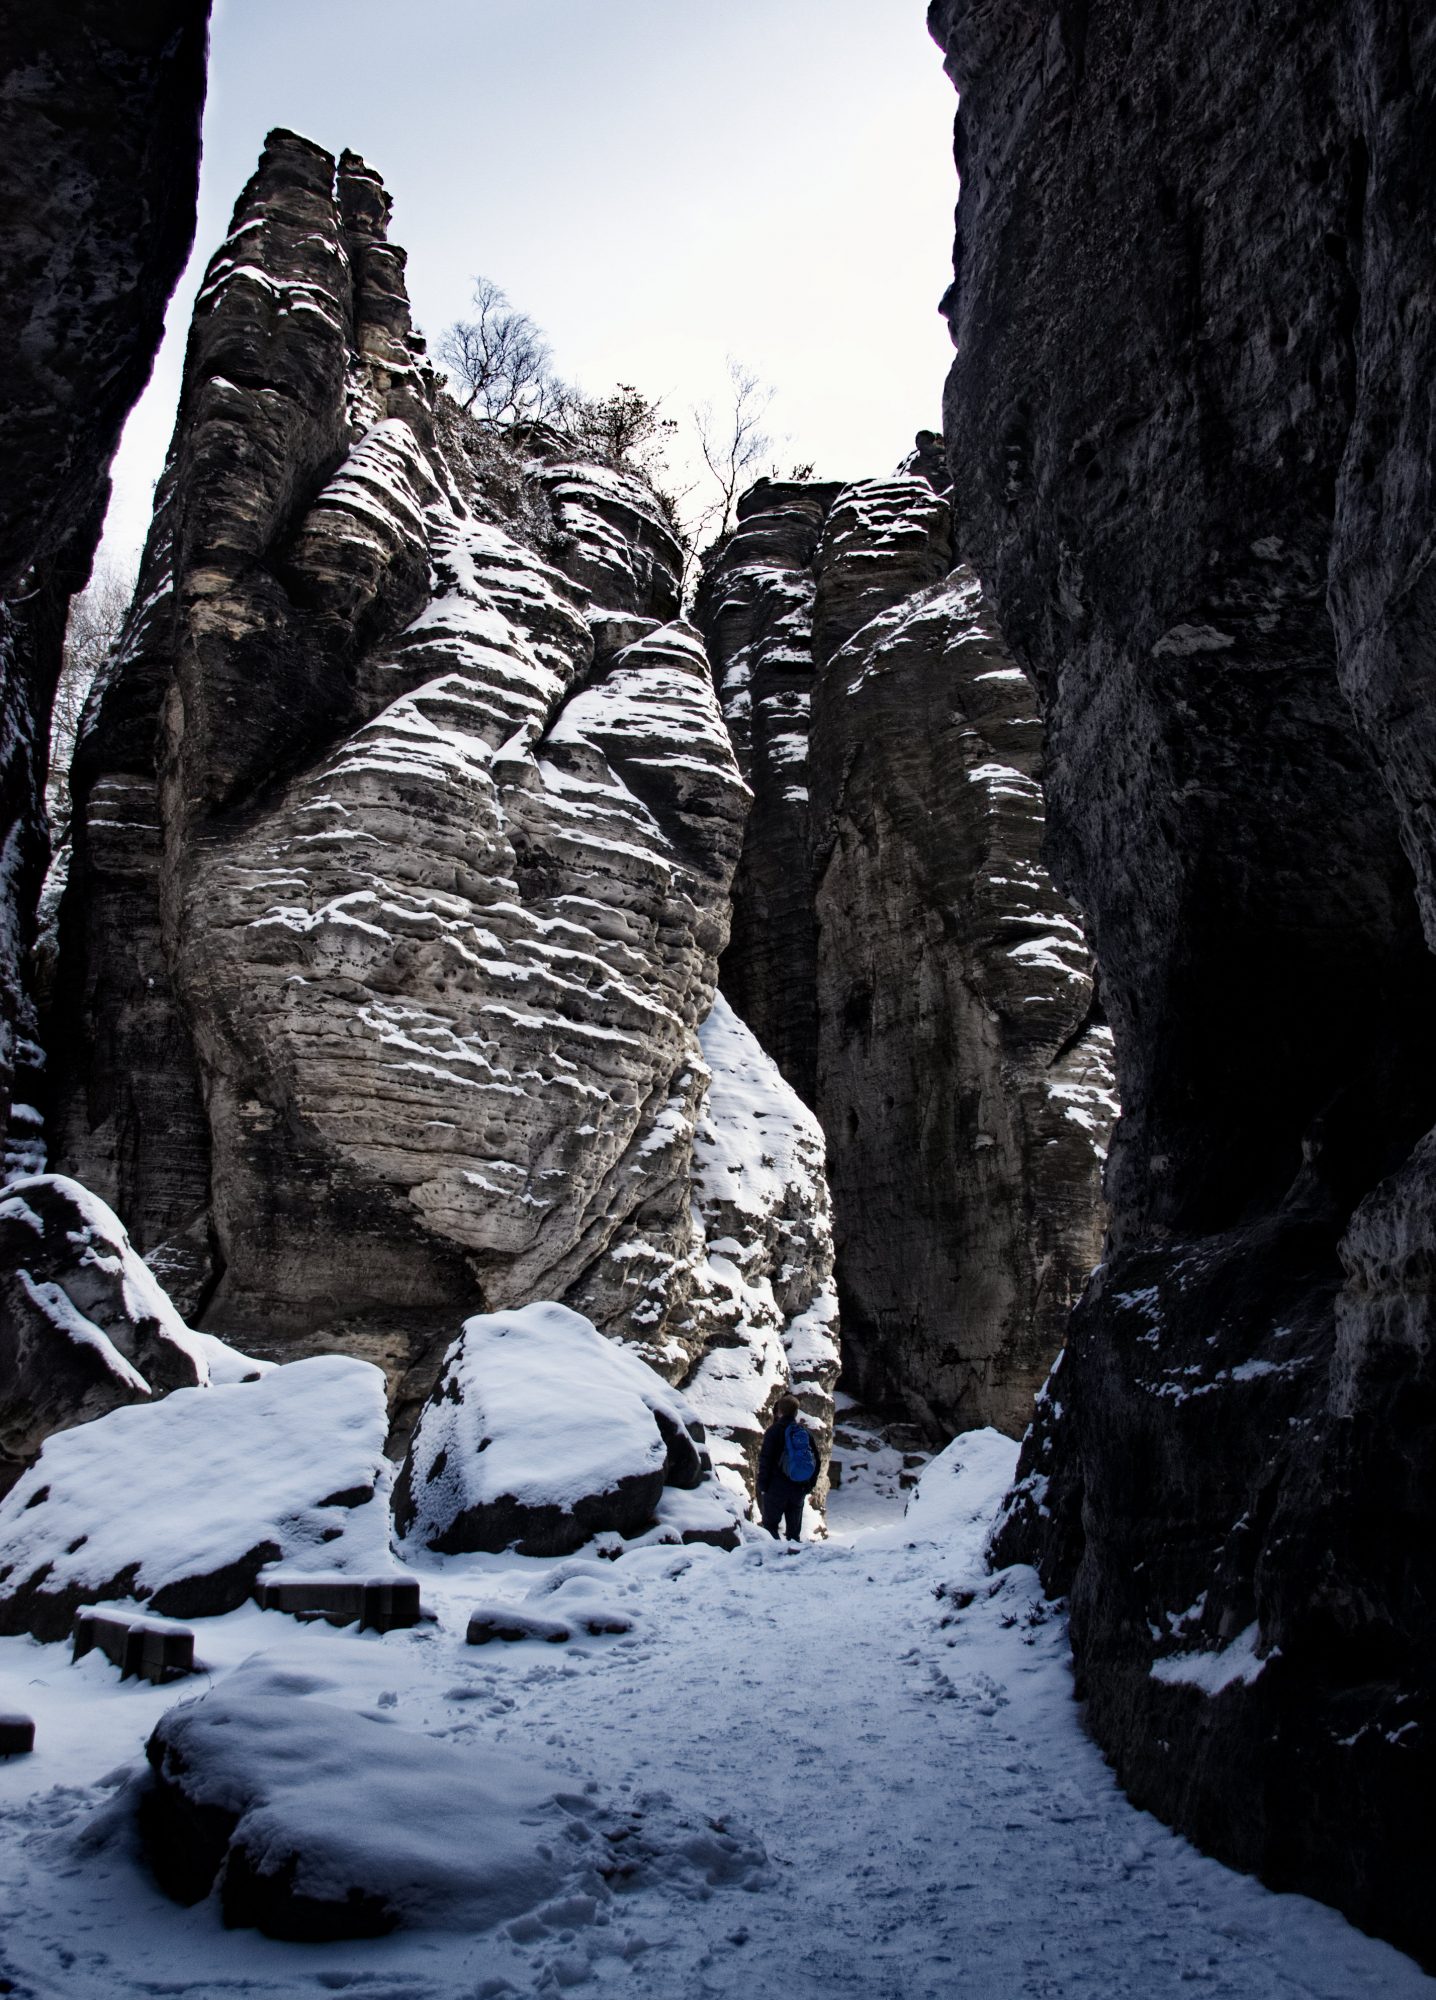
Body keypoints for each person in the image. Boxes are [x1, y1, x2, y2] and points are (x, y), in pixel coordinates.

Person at [757, 1394, 821, 1541]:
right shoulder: (804, 1433)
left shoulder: (773, 1432)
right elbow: (816, 1460)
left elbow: (765, 1460)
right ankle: (794, 1559)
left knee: (770, 1528)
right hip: (798, 1488)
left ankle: (775, 1560)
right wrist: (809, 1485)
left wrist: (763, 1485)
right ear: (796, 1413)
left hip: (775, 1489)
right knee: (793, 1534)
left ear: (779, 1412)